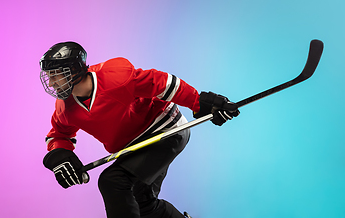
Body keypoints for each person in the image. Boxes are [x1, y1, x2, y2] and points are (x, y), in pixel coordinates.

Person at [40, 41, 240, 218]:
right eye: (49, 76)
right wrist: (61, 156)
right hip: (135, 147)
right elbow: (59, 135)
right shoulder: (65, 108)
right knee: (144, 205)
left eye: (57, 74)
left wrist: (199, 103)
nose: (51, 82)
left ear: (75, 70)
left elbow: (162, 83)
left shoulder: (114, 78)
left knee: (113, 182)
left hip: (165, 130)